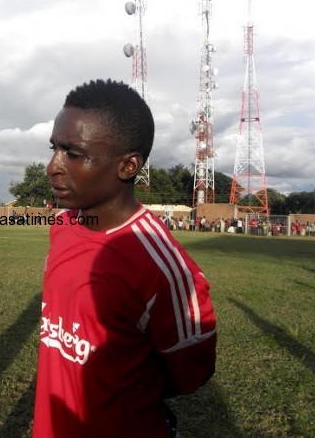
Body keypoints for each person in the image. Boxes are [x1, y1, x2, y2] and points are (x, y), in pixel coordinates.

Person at [33, 80, 217, 438]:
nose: (51, 167)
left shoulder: (160, 266)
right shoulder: (63, 225)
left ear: (128, 165)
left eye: (73, 153)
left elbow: (190, 373)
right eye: (54, 149)